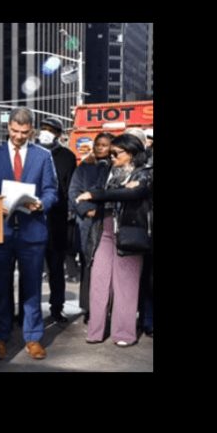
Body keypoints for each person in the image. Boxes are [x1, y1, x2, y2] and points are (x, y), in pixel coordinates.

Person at [0, 107, 57, 360]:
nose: (19, 136)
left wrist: (42, 203)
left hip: (32, 232)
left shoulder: (43, 156)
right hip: (1, 232)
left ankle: (32, 338)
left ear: (31, 130)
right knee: (0, 288)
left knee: (32, 287)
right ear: (8, 127)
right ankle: (0, 337)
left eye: (24, 132)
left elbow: (51, 190)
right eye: (14, 131)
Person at [76, 134, 151, 347]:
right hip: (103, 228)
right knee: (98, 280)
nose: (112, 157)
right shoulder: (106, 170)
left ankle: (124, 334)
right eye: (110, 153)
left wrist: (98, 195)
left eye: (116, 153)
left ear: (132, 153)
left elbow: (133, 194)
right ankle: (95, 331)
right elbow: (86, 192)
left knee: (126, 283)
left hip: (129, 232)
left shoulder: (144, 173)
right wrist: (93, 199)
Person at [68, 132, 114, 323]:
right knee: (89, 265)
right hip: (88, 224)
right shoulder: (84, 167)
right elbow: (74, 191)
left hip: (111, 222)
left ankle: (111, 309)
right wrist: (87, 211)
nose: (100, 148)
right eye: (98, 144)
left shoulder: (116, 166)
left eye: (105, 145)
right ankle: (89, 309)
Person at [36, 117, 76, 324]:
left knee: (56, 268)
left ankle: (57, 307)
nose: (45, 132)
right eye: (43, 128)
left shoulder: (67, 157)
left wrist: (69, 214)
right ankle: (28, 311)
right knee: (31, 269)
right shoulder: (31, 152)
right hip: (32, 218)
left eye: (51, 130)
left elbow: (70, 188)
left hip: (57, 220)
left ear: (59, 134)